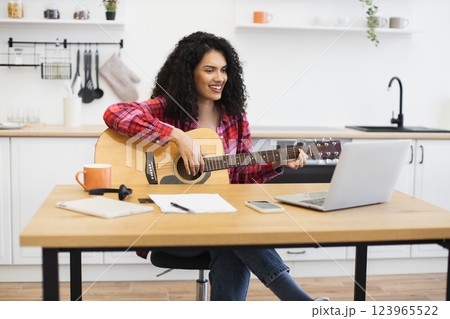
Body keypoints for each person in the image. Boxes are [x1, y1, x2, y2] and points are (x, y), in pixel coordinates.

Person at [104, 31, 327, 301]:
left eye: (223, 70)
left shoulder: (235, 117)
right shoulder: (167, 109)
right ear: (189, 73)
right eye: (209, 70)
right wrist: (177, 136)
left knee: (231, 238)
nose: (219, 78)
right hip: (170, 225)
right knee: (235, 235)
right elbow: (115, 112)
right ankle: (300, 303)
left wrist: (277, 161)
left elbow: (240, 177)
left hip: (220, 225)